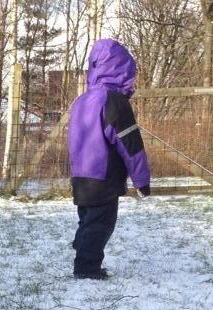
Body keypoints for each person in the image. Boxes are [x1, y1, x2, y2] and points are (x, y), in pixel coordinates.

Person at [67, 38, 151, 280]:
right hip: (103, 176)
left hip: (81, 175)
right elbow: (130, 145)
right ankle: (87, 268)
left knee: (88, 220)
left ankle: (83, 249)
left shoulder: (82, 101)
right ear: (121, 70)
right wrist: (141, 180)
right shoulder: (114, 102)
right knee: (101, 224)